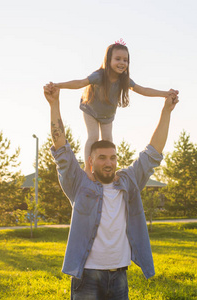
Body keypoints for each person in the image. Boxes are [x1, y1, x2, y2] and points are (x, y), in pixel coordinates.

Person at [43, 83, 178, 299]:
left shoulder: (128, 182)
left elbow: (153, 152)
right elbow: (61, 149)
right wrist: (54, 104)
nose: (109, 163)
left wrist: (166, 111)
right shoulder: (79, 184)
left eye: (113, 157)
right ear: (91, 161)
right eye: (102, 158)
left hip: (119, 277)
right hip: (85, 278)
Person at [45, 40, 178, 179]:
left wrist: (165, 93)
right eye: (118, 59)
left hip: (107, 115)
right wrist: (58, 85)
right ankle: (88, 169)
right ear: (108, 60)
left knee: (108, 140)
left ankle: (109, 171)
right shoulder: (99, 76)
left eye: (125, 60)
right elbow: (80, 83)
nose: (122, 63)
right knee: (93, 136)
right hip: (90, 109)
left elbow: (143, 90)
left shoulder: (124, 80)